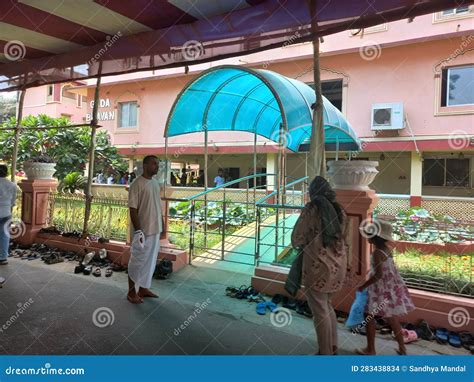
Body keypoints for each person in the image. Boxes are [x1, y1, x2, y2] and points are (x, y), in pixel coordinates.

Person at [291, 176, 349, 355]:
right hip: (338, 267)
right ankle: (332, 347)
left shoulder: (312, 209)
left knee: (319, 311)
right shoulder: (340, 210)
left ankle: (324, 353)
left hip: (317, 268)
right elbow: (345, 238)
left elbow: (297, 238)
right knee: (327, 306)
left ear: (312, 192)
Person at [357, 220, 415, 355]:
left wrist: (363, 286)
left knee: (368, 316)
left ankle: (370, 349)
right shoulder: (387, 251)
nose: (367, 236)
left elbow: (378, 275)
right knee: (392, 318)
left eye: (370, 233)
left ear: (376, 236)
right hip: (390, 290)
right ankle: (402, 348)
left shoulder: (377, 253)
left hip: (379, 290)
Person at [127, 155, 163, 304]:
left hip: (155, 229)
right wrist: (138, 230)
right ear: (145, 165)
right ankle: (130, 292)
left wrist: (163, 224)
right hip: (143, 230)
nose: (157, 167)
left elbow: (157, 205)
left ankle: (143, 288)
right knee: (137, 260)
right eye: (154, 164)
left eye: (158, 164)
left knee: (150, 260)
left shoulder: (155, 183)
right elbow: (133, 209)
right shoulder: (137, 184)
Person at [0, 164, 17, 265]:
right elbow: (13, 202)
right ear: (6, 173)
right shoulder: (12, 185)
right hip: (6, 213)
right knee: (4, 236)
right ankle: (3, 257)